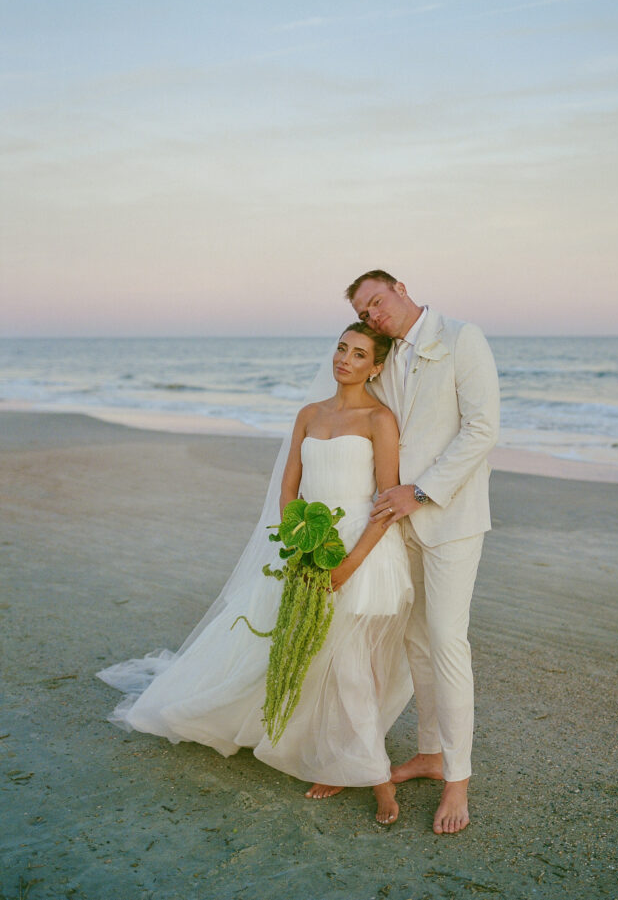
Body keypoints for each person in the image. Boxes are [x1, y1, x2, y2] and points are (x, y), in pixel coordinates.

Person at [98, 323, 414, 825]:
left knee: (352, 665)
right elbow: (289, 489)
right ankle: (340, 758)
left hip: (361, 548)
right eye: (341, 348)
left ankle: (376, 779)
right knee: (301, 654)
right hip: (306, 541)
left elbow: (386, 502)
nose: (345, 360)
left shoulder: (380, 418)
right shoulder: (309, 414)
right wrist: (299, 546)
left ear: (376, 367)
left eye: (359, 354)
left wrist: (349, 563)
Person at [346, 270, 500, 835]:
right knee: (415, 641)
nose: (373, 315)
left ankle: (457, 779)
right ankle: (431, 753)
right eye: (364, 313)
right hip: (399, 519)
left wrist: (421, 491)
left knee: (447, 641)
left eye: (376, 301)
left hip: (450, 516)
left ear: (401, 288)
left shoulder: (461, 338)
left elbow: (482, 429)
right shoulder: (385, 355)